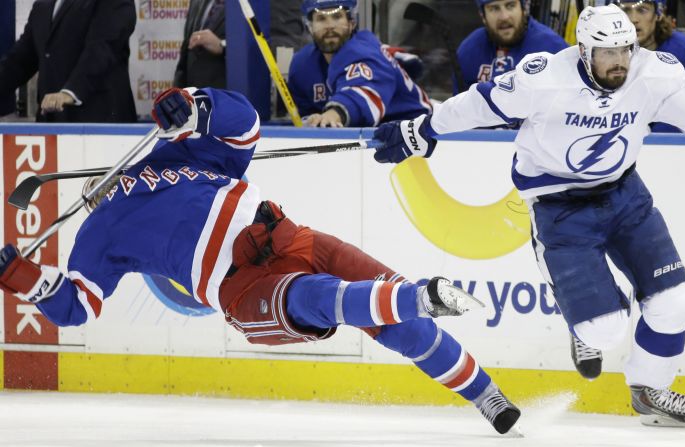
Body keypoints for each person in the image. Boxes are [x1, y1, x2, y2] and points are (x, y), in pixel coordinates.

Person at [0, 87, 521, 435]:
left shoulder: (180, 155)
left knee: (398, 327)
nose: (100, 187)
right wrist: (21, 276)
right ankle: (422, 295)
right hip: (243, 291)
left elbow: (244, 125)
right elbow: (77, 308)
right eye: (93, 189)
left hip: (289, 238)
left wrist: (193, 105)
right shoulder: (99, 232)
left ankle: (488, 395)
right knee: (315, 301)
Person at [371, 4, 685, 428]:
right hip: (559, 207)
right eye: (607, 53)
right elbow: (481, 104)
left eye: (625, 50)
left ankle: (650, 392)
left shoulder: (653, 71)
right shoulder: (544, 77)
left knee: (676, 302)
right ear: (584, 50)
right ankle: (582, 321)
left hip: (625, 196)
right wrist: (422, 129)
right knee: (605, 330)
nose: (619, 62)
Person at [287, 0, 432, 128]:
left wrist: (334, 114)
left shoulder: (364, 52)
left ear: (351, 22)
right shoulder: (302, 66)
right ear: (310, 26)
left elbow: (364, 91)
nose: (330, 25)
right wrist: (312, 119)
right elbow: (305, 113)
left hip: (415, 130)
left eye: (337, 16)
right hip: (371, 136)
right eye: (321, 19)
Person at [0, 0, 137, 122]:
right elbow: (19, 61)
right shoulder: (43, 5)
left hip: (101, 123)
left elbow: (103, 48)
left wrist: (70, 92)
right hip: (52, 125)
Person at [610, 0, 685, 133]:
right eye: (625, 10)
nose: (633, 19)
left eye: (642, 10)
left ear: (658, 13)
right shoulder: (602, 54)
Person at [455, 0, 568, 93]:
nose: (504, 17)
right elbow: (456, 111)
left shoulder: (554, 49)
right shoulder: (468, 51)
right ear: (482, 15)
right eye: (494, 8)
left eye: (510, 5)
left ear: (523, 9)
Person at [174, 0, 227, 89]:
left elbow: (254, 48)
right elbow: (185, 56)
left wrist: (222, 46)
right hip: (193, 95)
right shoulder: (196, 1)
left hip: (225, 96)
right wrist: (177, 94)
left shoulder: (248, 5)